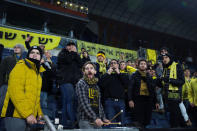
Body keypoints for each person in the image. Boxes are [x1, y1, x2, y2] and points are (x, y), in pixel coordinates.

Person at [1, 46, 45, 131]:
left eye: (38, 53)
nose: (35, 55)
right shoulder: (21, 66)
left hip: (28, 116)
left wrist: (38, 114)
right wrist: (28, 114)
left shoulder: (38, 74)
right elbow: (16, 92)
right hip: (15, 115)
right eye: (32, 52)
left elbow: (36, 97)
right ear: (28, 55)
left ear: (40, 57)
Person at [76, 62, 110, 129]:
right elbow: (84, 104)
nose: (89, 70)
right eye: (87, 68)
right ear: (84, 72)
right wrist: (95, 118)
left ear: (95, 71)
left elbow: (99, 104)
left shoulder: (96, 86)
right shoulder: (81, 83)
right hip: (85, 120)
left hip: (97, 119)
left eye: (91, 68)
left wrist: (103, 118)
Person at [56, 42, 82, 128]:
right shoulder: (62, 54)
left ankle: (65, 123)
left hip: (74, 82)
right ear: (66, 47)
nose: (71, 47)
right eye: (69, 46)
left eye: (73, 46)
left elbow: (80, 64)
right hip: (65, 81)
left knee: (67, 102)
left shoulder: (75, 55)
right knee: (70, 100)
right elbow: (68, 60)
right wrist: (73, 52)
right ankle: (72, 122)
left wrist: (75, 54)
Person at [128, 59, 159, 128]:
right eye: (141, 64)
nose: (143, 65)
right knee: (138, 121)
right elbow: (130, 89)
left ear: (146, 66)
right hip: (138, 100)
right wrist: (130, 100)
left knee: (147, 120)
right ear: (138, 65)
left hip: (148, 100)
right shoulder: (134, 75)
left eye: (144, 64)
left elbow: (153, 90)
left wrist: (156, 101)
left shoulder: (149, 76)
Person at [157, 53, 185, 128]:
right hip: (165, 94)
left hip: (174, 93)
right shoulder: (165, 68)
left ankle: (175, 127)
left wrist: (169, 80)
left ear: (170, 58)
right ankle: (181, 126)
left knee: (174, 113)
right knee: (174, 112)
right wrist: (159, 82)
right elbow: (164, 82)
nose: (164, 59)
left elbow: (182, 81)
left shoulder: (177, 65)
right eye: (163, 58)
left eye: (166, 57)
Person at [99, 59, 129, 126]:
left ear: (118, 65)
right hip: (109, 102)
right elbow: (101, 85)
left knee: (121, 123)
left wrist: (119, 73)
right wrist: (108, 73)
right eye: (111, 63)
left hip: (121, 102)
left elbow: (127, 84)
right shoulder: (106, 75)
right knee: (111, 123)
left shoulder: (124, 75)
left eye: (115, 63)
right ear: (109, 66)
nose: (113, 64)